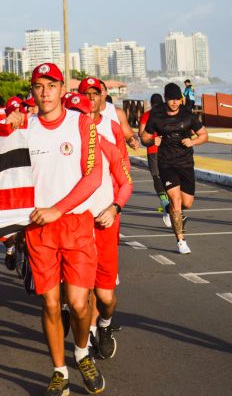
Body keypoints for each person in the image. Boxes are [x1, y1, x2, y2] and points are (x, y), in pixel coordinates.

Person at [6, 63, 105, 395]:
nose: (45, 91)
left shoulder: (82, 124)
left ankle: (81, 352)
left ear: (63, 89)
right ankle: (59, 371)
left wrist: (58, 209)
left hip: (75, 223)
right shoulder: (25, 129)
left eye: (51, 85)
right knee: (50, 305)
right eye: (38, 86)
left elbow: (93, 177)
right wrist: (8, 123)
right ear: (31, 91)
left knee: (79, 304)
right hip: (38, 229)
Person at [68, 92, 134, 360]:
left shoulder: (106, 144)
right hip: (75, 226)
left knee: (105, 297)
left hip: (104, 224)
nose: (76, 120)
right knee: (78, 295)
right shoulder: (61, 147)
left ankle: (104, 325)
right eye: (70, 114)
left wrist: (114, 207)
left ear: (92, 116)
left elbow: (127, 181)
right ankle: (84, 343)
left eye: (80, 115)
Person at [140, 83, 209, 254]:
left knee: (187, 202)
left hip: (185, 164)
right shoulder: (157, 115)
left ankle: (170, 211)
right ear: (165, 98)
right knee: (176, 201)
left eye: (177, 99)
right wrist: (151, 141)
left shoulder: (187, 114)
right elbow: (144, 137)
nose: (174, 102)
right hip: (166, 164)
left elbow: (204, 135)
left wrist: (193, 141)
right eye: (171, 99)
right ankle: (181, 241)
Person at [139, 94, 171, 227]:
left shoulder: (147, 115)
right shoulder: (167, 113)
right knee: (169, 177)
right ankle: (172, 205)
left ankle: (165, 204)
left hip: (153, 150)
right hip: (168, 150)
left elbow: (141, 135)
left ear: (151, 103)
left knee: (156, 177)